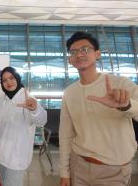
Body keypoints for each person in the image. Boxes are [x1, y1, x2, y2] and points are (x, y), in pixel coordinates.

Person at [59, 31, 138, 186]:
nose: (79, 54)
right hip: (79, 165)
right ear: (70, 60)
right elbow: (66, 135)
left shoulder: (120, 84)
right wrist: (64, 172)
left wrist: (126, 105)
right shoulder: (69, 93)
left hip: (114, 170)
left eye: (85, 49)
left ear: (97, 54)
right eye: (74, 52)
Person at [0, 66, 47, 186]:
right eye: (4, 80)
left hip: (17, 158)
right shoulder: (1, 102)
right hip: (1, 156)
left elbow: (41, 121)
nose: (8, 82)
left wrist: (34, 109)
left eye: (11, 78)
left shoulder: (28, 99)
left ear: (17, 78)